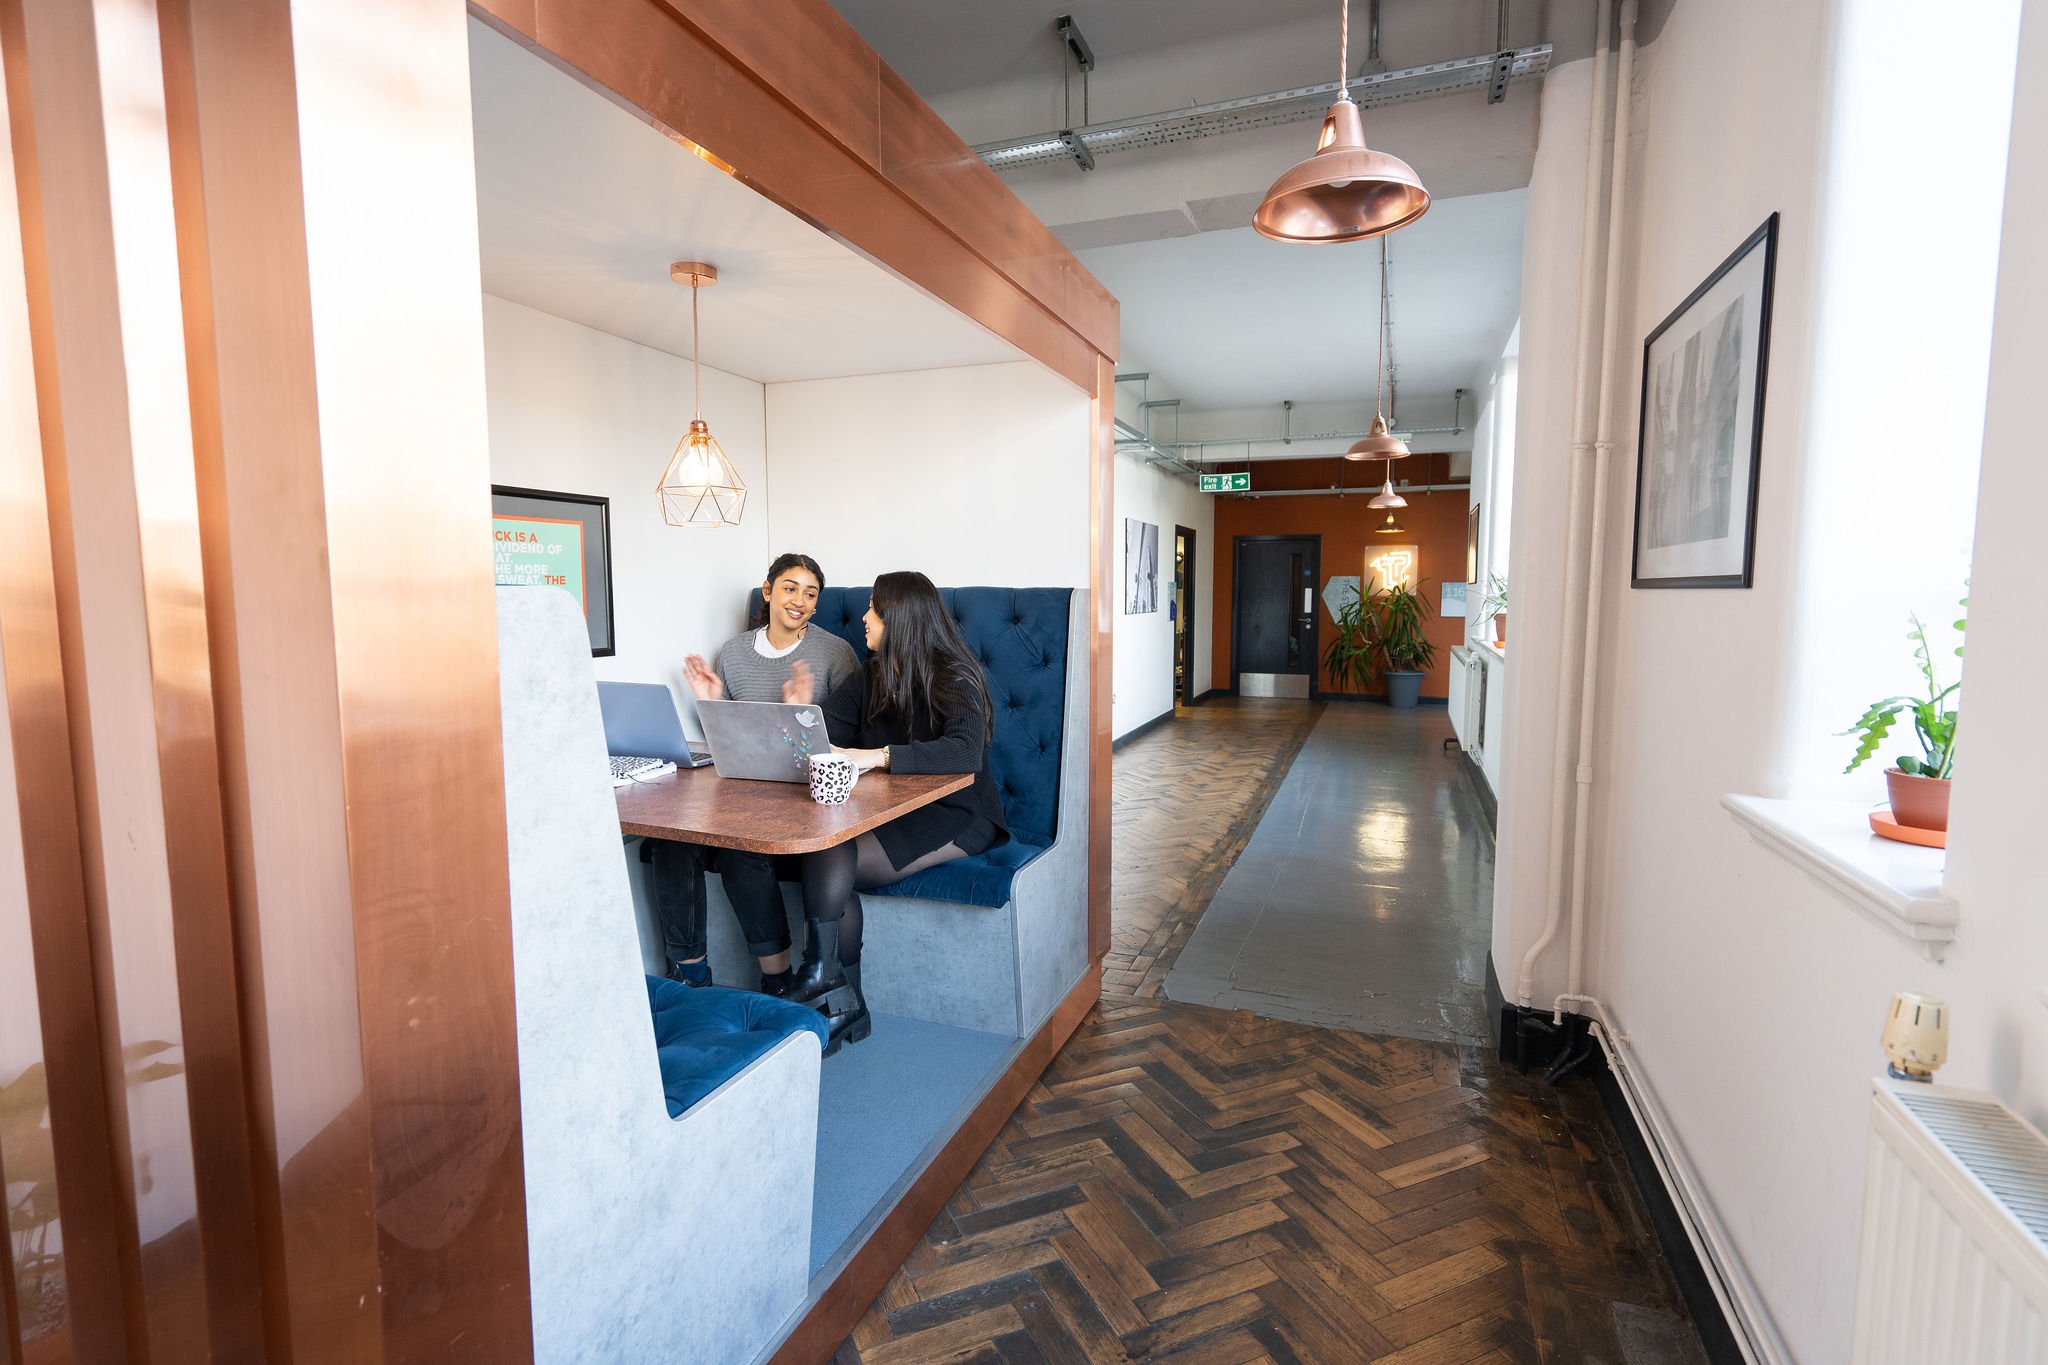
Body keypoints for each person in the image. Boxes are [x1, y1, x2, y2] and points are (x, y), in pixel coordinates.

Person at [786, 571, 1009, 1051]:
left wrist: (878, 756)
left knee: (833, 853)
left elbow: (966, 753)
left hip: (958, 812)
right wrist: (800, 716)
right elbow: (826, 734)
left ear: (899, 618)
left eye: (873, 609)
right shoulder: (872, 674)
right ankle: (840, 995)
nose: (864, 618)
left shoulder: (954, 674)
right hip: (891, 809)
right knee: (829, 849)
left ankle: (833, 988)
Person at [653, 552, 859, 993]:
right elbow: (732, 737)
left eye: (810, 593)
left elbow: (848, 739)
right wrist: (711, 702)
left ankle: (778, 980)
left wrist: (803, 713)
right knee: (669, 842)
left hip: (803, 796)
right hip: (740, 791)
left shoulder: (835, 654)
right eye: (790, 588)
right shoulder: (733, 652)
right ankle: (690, 976)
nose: (799, 600)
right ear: (767, 592)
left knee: (741, 850)